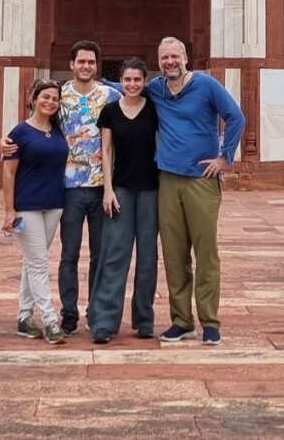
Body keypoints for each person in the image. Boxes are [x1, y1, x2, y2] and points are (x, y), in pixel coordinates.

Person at [148, 36, 244, 345]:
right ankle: (181, 321)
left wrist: (225, 158)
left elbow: (236, 117)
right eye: (164, 58)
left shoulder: (205, 84)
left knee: (206, 253)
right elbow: (125, 87)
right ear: (159, 62)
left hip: (201, 180)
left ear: (185, 58)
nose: (170, 62)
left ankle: (210, 321)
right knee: (174, 254)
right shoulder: (156, 89)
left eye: (174, 56)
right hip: (168, 179)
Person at [90, 57, 160, 344]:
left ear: (144, 81)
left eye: (137, 80)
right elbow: (106, 151)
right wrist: (107, 189)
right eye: (128, 80)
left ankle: (143, 319)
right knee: (115, 255)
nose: (132, 84)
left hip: (151, 190)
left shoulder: (155, 110)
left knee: (147, 258)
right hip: (120, 189)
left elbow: (161, 145)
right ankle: (105, 322)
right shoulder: (110, 111)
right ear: (121, 81)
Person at [54, 40, 118, 335]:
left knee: (99, 254)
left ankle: (96, 311)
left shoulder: (110, 95)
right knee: (69, 255)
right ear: (72, 64)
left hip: (101, 187)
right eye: (81, 61)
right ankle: (69, 313)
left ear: (97, 65)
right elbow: (37, 124)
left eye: (91, 62)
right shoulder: (58, 95)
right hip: (68, 188)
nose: (86, 66)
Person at [3, 79, 70, 343]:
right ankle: (50, 319)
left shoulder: (57, 130)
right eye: (45, 97)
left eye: (55, 98)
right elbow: (8, 172)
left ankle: (24, 316)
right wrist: (9, 211)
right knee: (39, 263)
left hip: (53, 205)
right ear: (33, 98)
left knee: (33, 261)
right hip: (27, 207)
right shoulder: (20, 132)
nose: (50, 102)